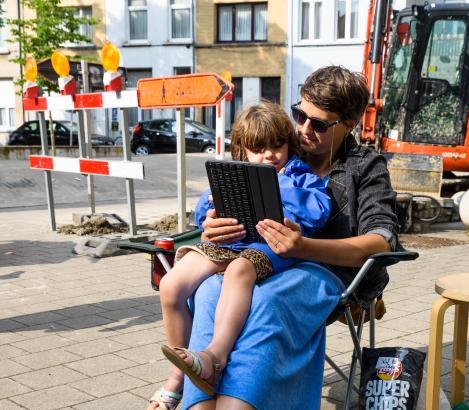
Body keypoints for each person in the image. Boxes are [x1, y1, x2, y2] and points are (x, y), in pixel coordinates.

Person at [174, 65, 398, 410]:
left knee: (266, 302)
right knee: (207, 291)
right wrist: (213, 226)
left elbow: (382, 241)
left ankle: (237, 405)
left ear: (350, 125)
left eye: (320, 124)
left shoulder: (365, 166)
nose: (304, 130)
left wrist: (304, 246)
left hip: (329, 270)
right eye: (300, 115)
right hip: (258, 257)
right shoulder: (283, 148)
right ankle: (200, 402)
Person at [148, 101, 331, 410]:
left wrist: (278, 185)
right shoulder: (234, 173)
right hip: (229, 242)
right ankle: (178, 376)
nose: (270, 155)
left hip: (268, 247)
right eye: (259, 148)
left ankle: (215, 356)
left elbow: (318, 211)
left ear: (289, 145)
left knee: (239, 272)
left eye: (277, 146)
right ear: (244, 150)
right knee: (171, 285)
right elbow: (203, 212)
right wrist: (212, 216)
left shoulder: (300, 176)